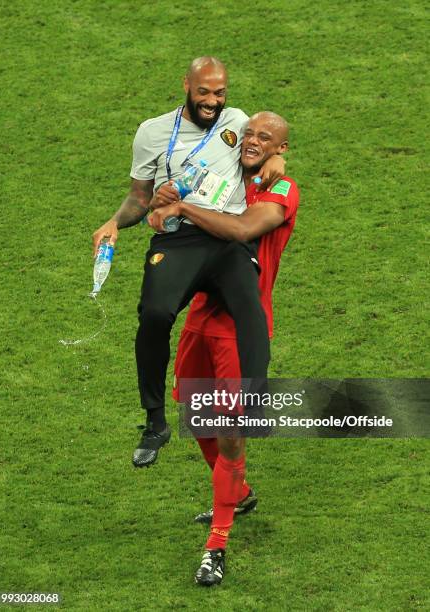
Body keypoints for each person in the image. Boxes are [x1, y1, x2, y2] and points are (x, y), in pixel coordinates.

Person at [92, 57, 285, 468]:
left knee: (248, 306)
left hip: (225, 235)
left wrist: (275, 161)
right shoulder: (152, 132)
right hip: (177, 238)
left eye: (220, 93)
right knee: (155, 314)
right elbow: (138, 200)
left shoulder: (237, 119)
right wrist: (113, 222)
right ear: (187, 85)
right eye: (204, 92)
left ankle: (254, 402)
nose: (212, 101)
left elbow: (262, 149)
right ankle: (155, 422)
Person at [149, 111, 299, 586]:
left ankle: (216, 545)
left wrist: (185, 209)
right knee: (198, 418)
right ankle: (240, 494)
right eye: (250, 133)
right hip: (199, 318)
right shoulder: (219, 173)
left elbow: (241, 231)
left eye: (267, 138)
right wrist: (166, 201)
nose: (254, 142)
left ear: (281, 149)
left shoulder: (282, 190)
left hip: (240, 327)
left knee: (231, 432)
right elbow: (168, 226)